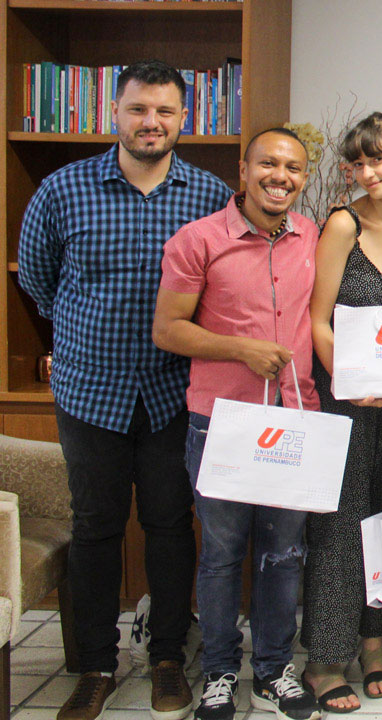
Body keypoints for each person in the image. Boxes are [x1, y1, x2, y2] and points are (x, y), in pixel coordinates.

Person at [16, 59, 232, 720]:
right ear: (116, 112)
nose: (151, 122)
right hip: (90, 391)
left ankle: (168, 657)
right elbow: (36, 277)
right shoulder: (62, 188)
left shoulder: (208, 194)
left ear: (183, 118)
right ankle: (95, 666)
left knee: (170, 524)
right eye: (139, 109)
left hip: (174, 391)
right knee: (96, 528)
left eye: (165, 111)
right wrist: (82, 335)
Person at [152, 127, 321, 720]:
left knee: (284, 554)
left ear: (304, 176)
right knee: (222, 555)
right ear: (243, 169)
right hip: (222, 422)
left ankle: (274, 671)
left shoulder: (313, 237)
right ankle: (221, 672)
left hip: (295, 419)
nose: (281, 176)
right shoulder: (198, 241)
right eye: (269, 164)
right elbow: (168, 329)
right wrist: (240, 349)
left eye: (294, 167)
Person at [302, 110, 382, 712]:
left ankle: (374, 641)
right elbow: (318, 320)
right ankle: (327, 658)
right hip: (344, 403)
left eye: (376, 158)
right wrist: (351, 383)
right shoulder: (340, 225)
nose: (365, 172)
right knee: (338, 527)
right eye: (355, 162)